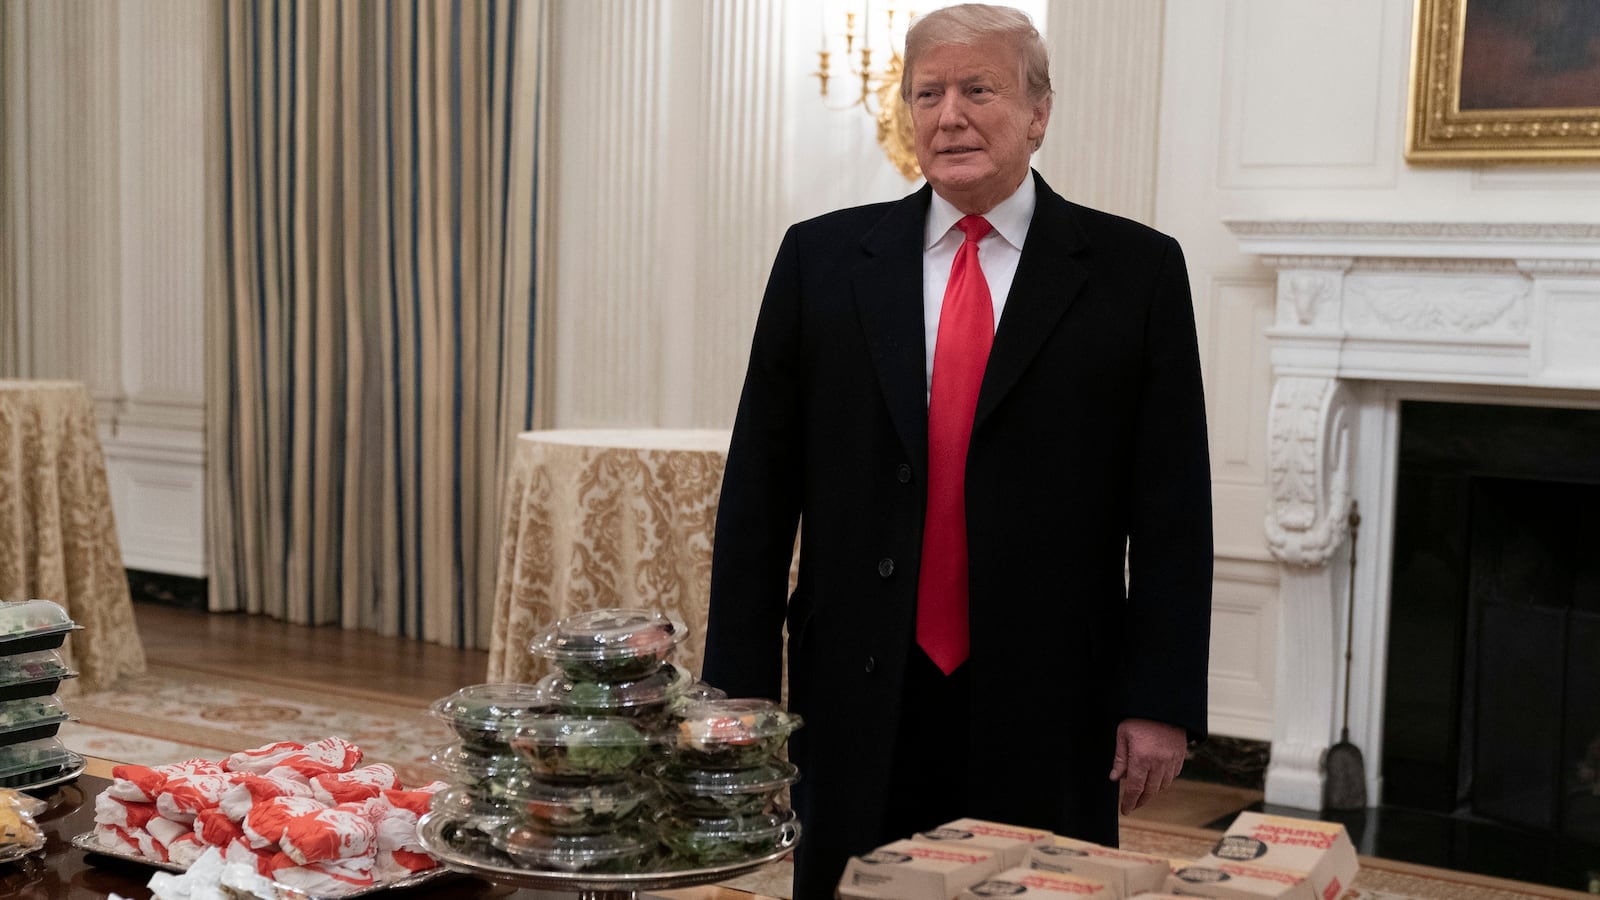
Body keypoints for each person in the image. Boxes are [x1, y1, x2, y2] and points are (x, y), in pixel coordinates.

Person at [701, 5, 1213, 898]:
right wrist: (739, 689)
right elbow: (759, 488)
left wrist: (1160, 701)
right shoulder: (820, 261)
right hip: (858, 682)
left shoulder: (1138, 273)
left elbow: (1172, 507)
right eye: (928, 92)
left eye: (979, 89)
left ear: (1038, 112)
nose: (950, 115)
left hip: (1053, 693)